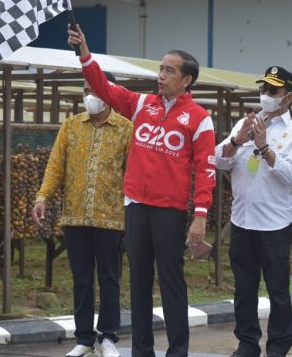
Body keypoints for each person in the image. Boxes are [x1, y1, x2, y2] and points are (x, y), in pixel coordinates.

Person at [67, 24, 217, 357]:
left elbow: (206, 170)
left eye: (169, 71)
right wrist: (85, 54)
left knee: (171, 283)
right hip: (135, 205)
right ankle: (142, 352)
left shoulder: (199, 118)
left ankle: (177, 351)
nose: (161, 75)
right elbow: (102, 88)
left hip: (170, 210)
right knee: (138, 283)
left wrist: (200, 215)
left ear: (186, 80)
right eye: (160, 68)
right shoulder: (141, 105)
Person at [31, 72, 132, 357]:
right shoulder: (71, 126)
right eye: (85, 89)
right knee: (81, 278)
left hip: (110, 218)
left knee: (110, 277)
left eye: (95, 90)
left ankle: (109, 336)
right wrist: (43, 196)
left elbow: (132, 175)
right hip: (74, 216)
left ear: (110, 92)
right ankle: (84, 339)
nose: (89, 95)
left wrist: (132, 214)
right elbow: (55, 166)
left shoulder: (126, 129)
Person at [215, 66, 292, 357]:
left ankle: (278, 347)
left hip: (274, 226)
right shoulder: (246, 123)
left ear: (289, 97)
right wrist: (236, 141)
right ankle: (247, 343)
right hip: (242, 222)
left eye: (273, 91)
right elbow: (219, 161)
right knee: (244, 289)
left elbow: (291, 175)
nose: (265, 95)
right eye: (263, 89)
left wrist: (265, 147)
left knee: (278, 292)